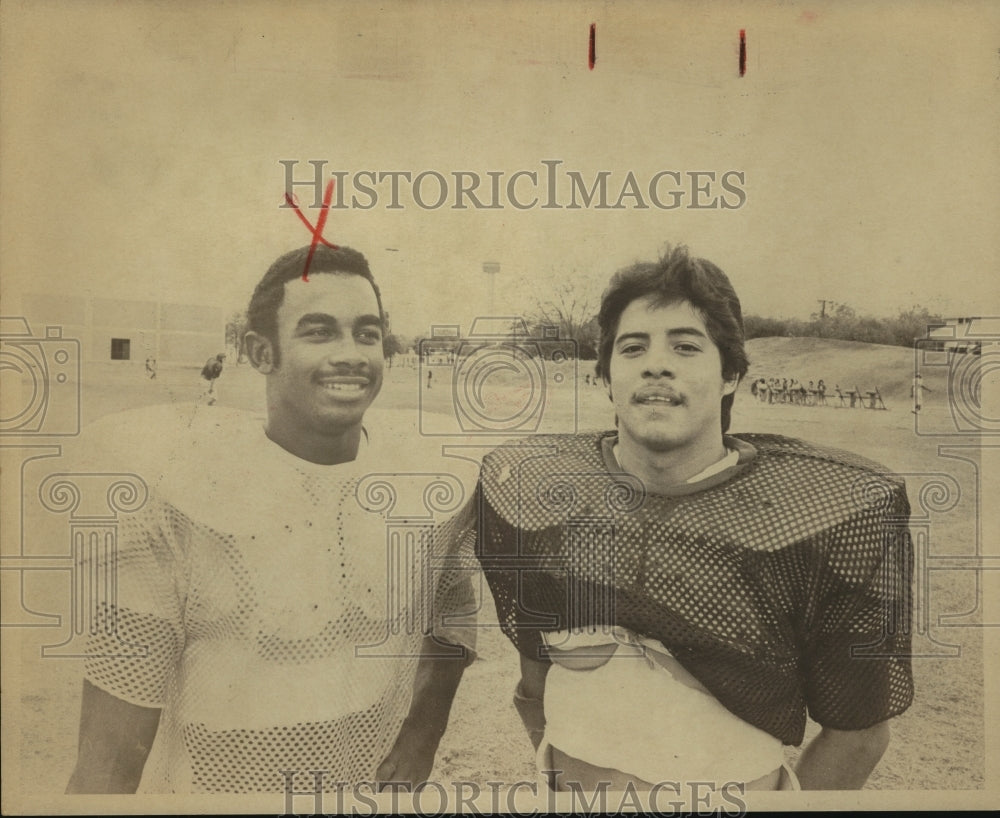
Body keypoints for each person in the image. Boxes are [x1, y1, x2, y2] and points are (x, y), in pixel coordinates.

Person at [471, 245, 913, 792]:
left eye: (685, 345)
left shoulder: (825, 515)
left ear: (730, 374)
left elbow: (860, 734)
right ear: (606, 377)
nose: (657, 363)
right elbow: (535, 682)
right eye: (633, 348)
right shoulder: (540, 494)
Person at [66, 244, 476, 794]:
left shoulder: (419, 485)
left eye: (368, 333)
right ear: (262, 353)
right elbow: (109, 759)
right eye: (319, 331)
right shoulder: (179, 497)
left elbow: (453, 605)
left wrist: (422, 733)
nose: (352, 353)